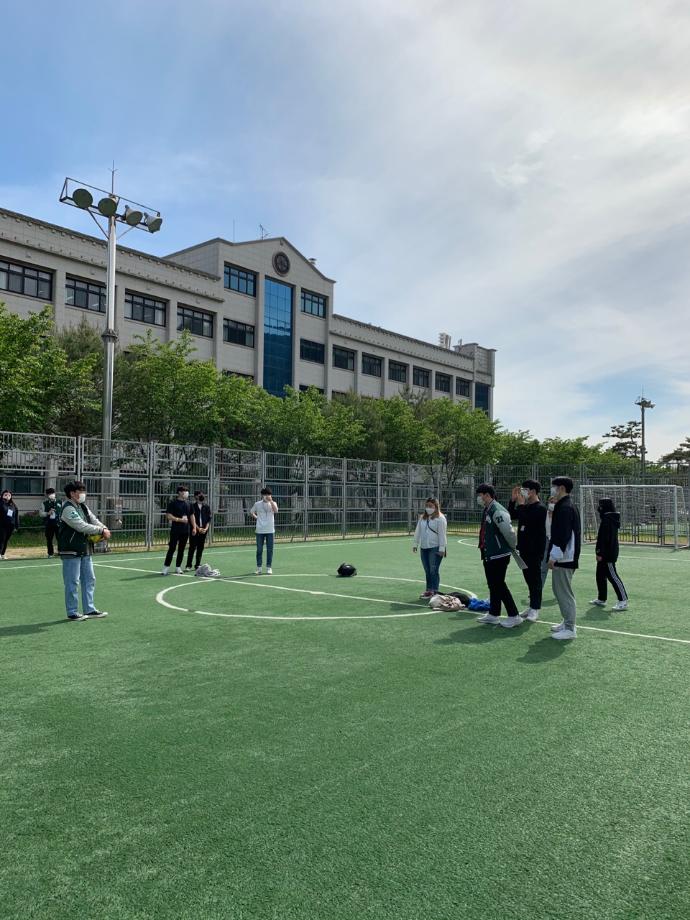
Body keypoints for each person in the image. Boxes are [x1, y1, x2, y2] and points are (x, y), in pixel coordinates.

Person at [57, 481, 111, 620]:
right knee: (72, 582)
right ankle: (72, 612)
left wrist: (104, 528)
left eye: (83, 491)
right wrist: (101, 530)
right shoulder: (67, 508)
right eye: (80, 491)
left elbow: (94, 520)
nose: (83, 494)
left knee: (89, 579)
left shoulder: (83, 507)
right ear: (72, 493)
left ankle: (89, 609)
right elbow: (80, 526)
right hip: (71, 550)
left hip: (85, 549)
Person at [475, 484, 521, 627]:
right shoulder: (488, 509)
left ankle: (514, 615)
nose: (478, 498)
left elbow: (509, 532)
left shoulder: (497, 510)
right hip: (489, 553)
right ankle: (494, 614)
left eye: (480, 495)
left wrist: (512, 546)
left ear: (487, 495)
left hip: (499, 554)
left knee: (499, 585)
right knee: (493, 585)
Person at [547, 476, 581, 640]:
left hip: (565, 557)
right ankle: (566, 621)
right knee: (559, 590)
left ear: (561, 488)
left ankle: (570, 628)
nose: (552, 489)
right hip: (565, 556)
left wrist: (554, 556)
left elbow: (563, 535)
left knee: (563, 592)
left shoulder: (566, 508)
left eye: (554, 486)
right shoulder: (563, 505)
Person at [508, 480, 547, 622]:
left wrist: (521, 505)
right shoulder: (526, 507)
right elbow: (512, 515)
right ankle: (531, 606)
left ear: (533, 491)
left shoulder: (540, 508)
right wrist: (513, 501)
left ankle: (535, 608)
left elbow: (528, 520)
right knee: (528, 578)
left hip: (535, 549)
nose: (523, 492)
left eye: (526, 489)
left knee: (535, 579)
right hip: (523, 548)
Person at [591, 497, 629, 611]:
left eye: (600, 505)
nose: (599, 508)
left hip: (608, 554)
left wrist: (600, 552)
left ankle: (623, 600)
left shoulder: (608, 520)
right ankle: (601, 598)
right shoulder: (608, 518)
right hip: (606, 552)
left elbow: (605, 539)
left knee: (613, 576)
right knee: (600, 575)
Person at [412, 497, 448, 599]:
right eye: (427, 506)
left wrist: (442, 549)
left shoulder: (440, 518)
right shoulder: (422, 518)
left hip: (435, 547)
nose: (428, 508)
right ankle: (428, 590)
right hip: (424, 547)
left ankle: (434, 591)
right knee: (427, 570)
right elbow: (418, 531)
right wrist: (415, 544)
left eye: (430, 506)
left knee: (433, 570)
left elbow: (442, 535)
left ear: (436, 506)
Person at [162, 484, 196, 576]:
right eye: (184, 491)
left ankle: (178, 567)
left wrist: (194, 527)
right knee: (172, 548)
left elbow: (192, 516)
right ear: (180, 492)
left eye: (187, 491)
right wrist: (179, 520)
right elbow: (169, 516)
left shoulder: (189, 504)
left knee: (181, 549)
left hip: (185, 530)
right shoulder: (173, 503)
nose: (186, 493)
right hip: (175, 530)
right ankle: (166, 567)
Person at [251, 487, 278, 575]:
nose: (266, 496)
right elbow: (251, 512)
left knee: (270, 549)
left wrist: (271, 501)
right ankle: (259, 568)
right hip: (260, 530)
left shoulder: (273, 503)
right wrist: (257, 518)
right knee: (259, 549)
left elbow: (276, 511)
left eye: (268, 494)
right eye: (265, 495)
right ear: (262, 495)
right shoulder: (257, 504)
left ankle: (269, 567)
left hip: (270, 530)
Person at [186, 492, 211, 571]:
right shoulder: (192, 506)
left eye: (202, 496)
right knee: (192, 547)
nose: (201, 497)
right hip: (194, 530)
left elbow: (208, 519)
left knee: (200, 547)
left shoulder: (206, 507)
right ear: (196, 497)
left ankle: (197, 564)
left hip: (203, 530)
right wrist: (198, 528)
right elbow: (191, 519)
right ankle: (188, 565)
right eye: (199, 496)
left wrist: (205, 529)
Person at [40, 487, 62, 557]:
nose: (51, 495)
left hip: (58, 524)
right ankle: (50, 553)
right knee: (49, 539)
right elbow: (41, 514)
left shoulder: (60, 502)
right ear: (47, 495)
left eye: (52, 493)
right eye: (49, 494)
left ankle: (60, 552)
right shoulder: (44, 503)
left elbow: (63, 512)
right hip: (49, 524)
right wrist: (47, 513)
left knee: (60, 538)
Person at [0, 489, 19, 559]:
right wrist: (2, 500)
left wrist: (16, 526)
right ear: (2, 496)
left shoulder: (13, 505)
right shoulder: (1, 503)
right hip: (2, 526)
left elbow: (16, 516)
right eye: (5, 495)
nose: (7, 496)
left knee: (6, 540)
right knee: (1, 539)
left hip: (10, 526)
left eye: (9, 495)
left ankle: (2, 554)